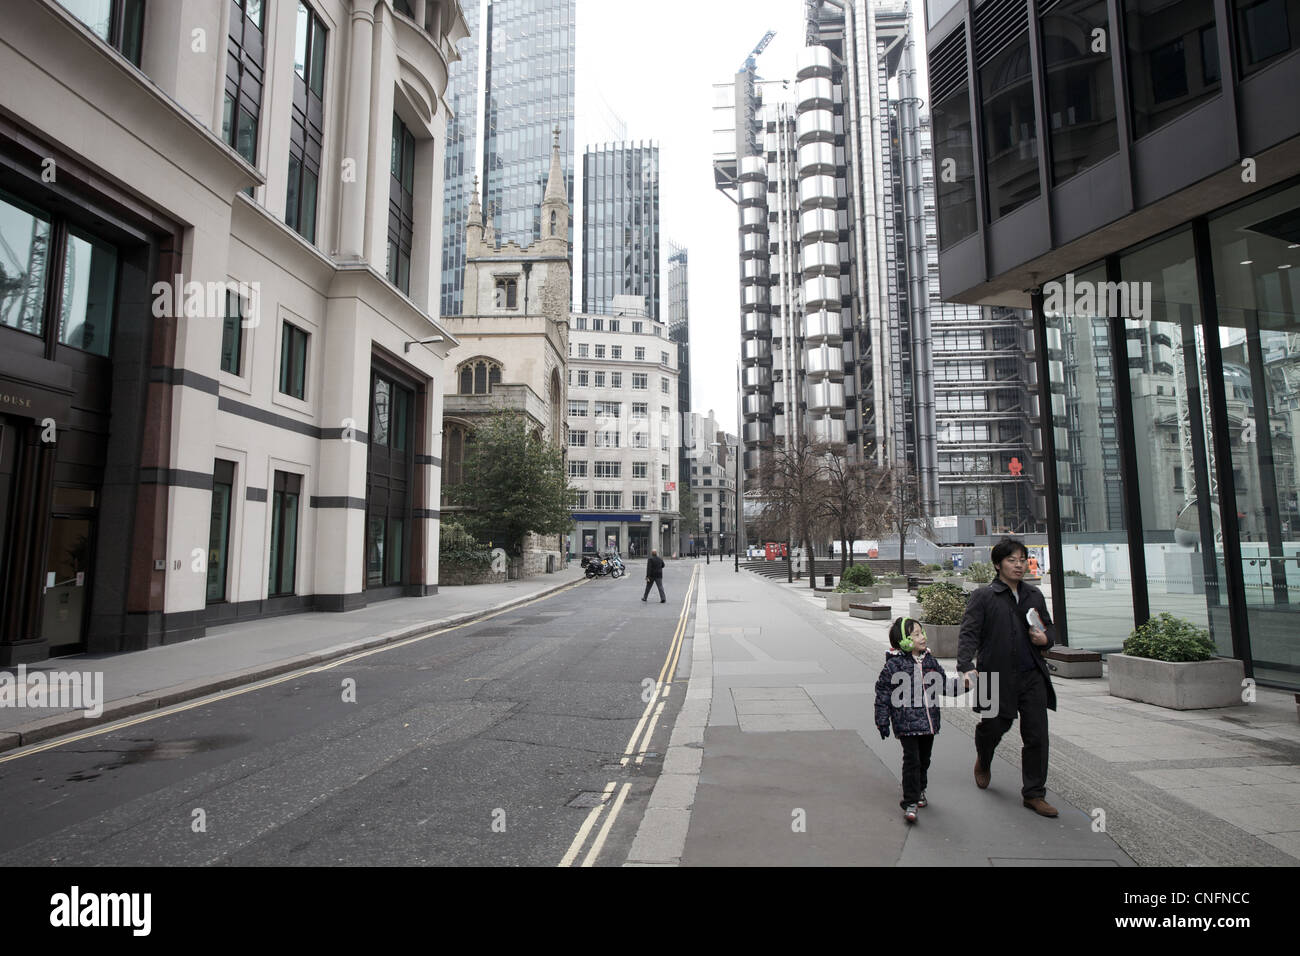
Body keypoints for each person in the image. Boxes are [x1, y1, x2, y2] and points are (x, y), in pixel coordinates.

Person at [957, 537, 1058, 817]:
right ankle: (984, 757)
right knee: (995, 726)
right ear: (998, 564)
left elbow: (1049, 628)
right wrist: (966, 665)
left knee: (1037, 734)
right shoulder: (984, 596)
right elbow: (969, 633)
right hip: (994, 675)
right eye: (1012, 560)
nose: (1019, 565)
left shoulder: (1033, 595)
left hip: (1031, 675)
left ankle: (1034, 794)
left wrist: (1045, 638)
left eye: (1022, 559)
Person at [874, 617, 962, 823]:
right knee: (912, 760)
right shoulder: (894, 665)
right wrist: (882, 719)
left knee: (924, 759)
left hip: (928, 723)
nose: (922, 637)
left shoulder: (930, 661)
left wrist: (968, 683)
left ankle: (920, 788)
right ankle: (910, 801)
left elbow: (945, 686)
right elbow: (883, 694)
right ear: (904, 641)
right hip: (906, 724)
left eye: (922, 633)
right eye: (916, 634)